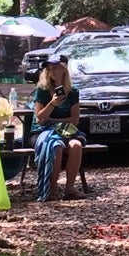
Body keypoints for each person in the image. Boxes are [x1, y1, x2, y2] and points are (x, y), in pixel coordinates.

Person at [32, 57, 83, 201]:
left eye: (55, 67)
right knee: (56, 146)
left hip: (66, 130)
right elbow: (40, 117)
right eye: (49, 68)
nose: (52, 71)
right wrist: (53, 103)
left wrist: (54, 120)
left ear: (64, 69)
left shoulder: (73, 92)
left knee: (76, 145)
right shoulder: (42, 90)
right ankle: (52, 189)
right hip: (43, 131)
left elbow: (75, 119)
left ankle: (70, 189)